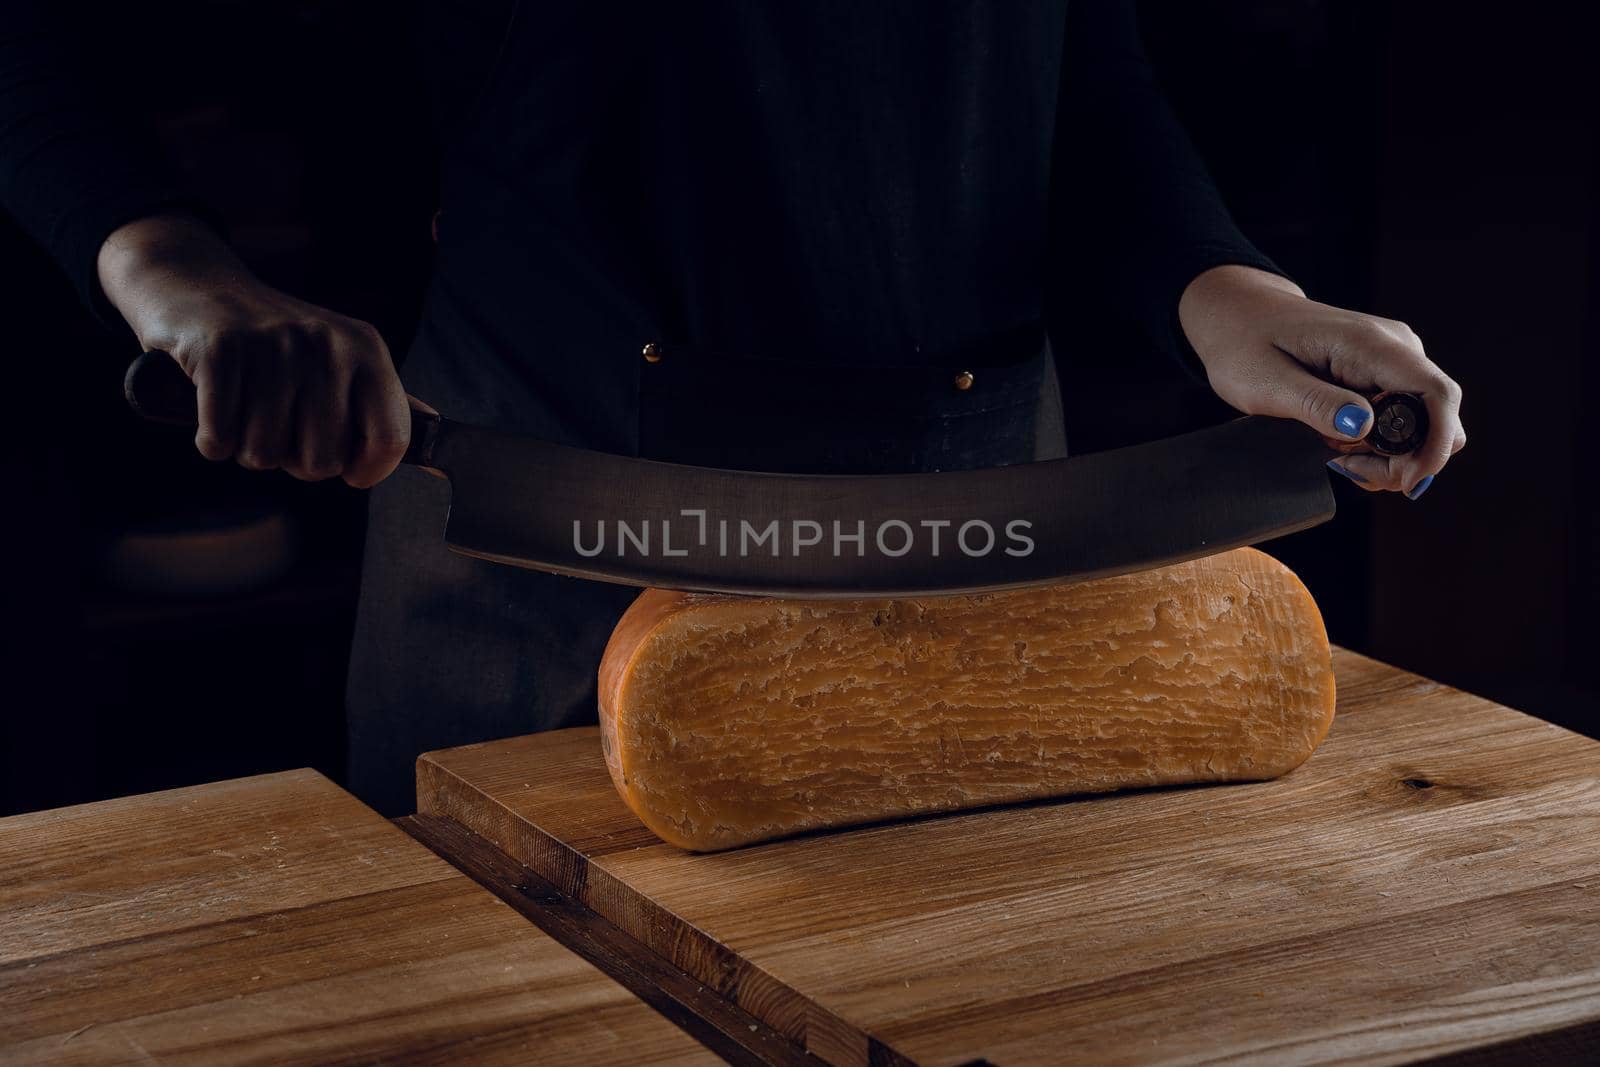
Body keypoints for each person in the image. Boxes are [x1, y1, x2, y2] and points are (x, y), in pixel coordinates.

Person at [2, 1, 1465, 814]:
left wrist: (1234, 298)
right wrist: (174, 270)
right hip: (537, 561)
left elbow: (1070, 65)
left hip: (1004, 552)